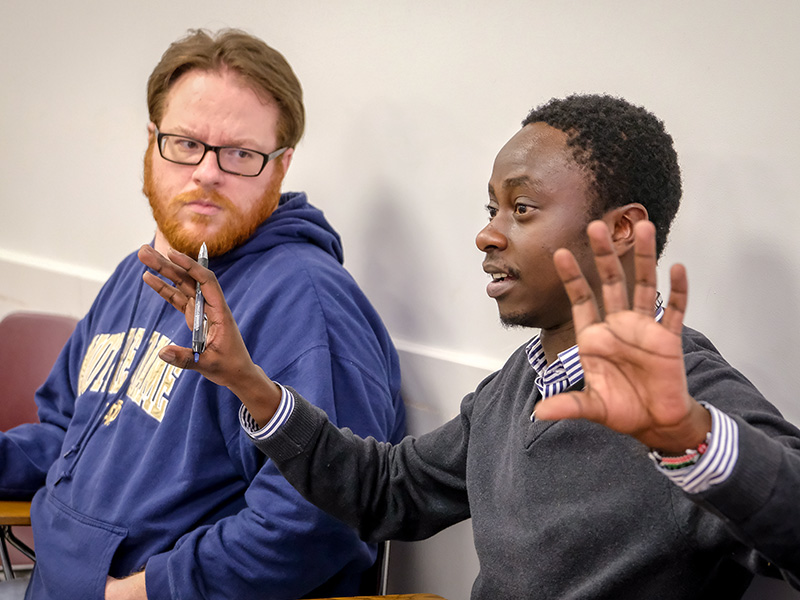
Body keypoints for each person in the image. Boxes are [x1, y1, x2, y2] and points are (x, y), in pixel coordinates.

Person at [139, 94, 800, 599]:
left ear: (623, 230)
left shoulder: (694, 398)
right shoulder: (518, 383)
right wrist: (250, 382)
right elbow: (387, 491)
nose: (488, 235)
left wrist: (689, 437)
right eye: (491, 210)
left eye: (522, 209)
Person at [0, 28, 405, 600]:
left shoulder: (306, 304)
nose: (207, 172)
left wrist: (134, 593)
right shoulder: (138, 272)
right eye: (186, 143)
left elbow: (318, 522)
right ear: (152, 143)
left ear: (281, 167)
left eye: (240, 153)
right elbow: (65, 434)